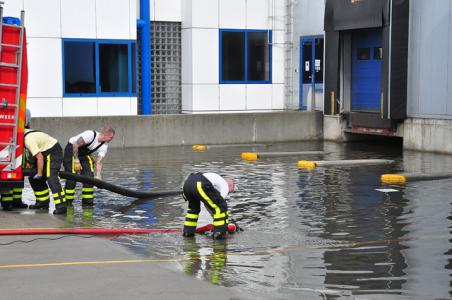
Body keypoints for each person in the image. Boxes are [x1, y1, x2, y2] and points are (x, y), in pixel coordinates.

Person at [63, 127, 115, 206]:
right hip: (71, 151)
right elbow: (75, 145)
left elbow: (99, 161)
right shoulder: (90, 135)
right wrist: (76, 161)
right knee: (71, 179)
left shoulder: (104, 145)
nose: (112, 139)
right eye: (111, 137)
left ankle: (87, 203)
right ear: (105, 135)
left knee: (89, 178)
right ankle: (68, 202)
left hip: (84, 155)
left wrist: (98, 175)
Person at [24, 126, 67, 215]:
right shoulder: (23, 134)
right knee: (33, 178)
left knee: (51, 178)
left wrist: (39, 173)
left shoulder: (28, 140)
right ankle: (42, 203)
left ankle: (61, 206)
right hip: (43, 151)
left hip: (53, 150)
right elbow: (33, 153)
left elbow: (39, 157)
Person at [182, 172, 238, 240]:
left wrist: (215, 217)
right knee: (222, 206)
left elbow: (209, 204)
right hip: (199, 184)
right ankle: (219, 234)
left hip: (188, 184)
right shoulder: (225, 185)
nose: (229, 193)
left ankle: (188, 233)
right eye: (231, 191)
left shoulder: (216, 181)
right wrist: (224, 222)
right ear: (230, 185)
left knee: (193, 209)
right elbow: (218, 206)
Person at [1, 109, 32, 211]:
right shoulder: (24, 110)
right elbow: (27, 124)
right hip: (17, 143)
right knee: (16, 174)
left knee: (9, 174)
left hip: (9, 143)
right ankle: (14, 201)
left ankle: (10, 202)